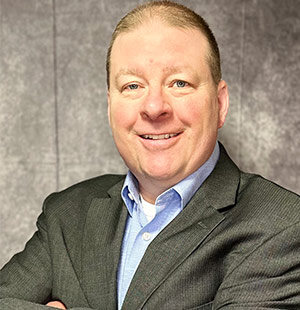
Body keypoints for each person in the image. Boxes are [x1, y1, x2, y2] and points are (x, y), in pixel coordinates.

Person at [1, 1, 300, 309]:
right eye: (132, 86)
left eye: (179, 83)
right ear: (109, 105)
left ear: (220, 104)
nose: (154, 107)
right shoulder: (66, 214)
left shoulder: (283, 226)